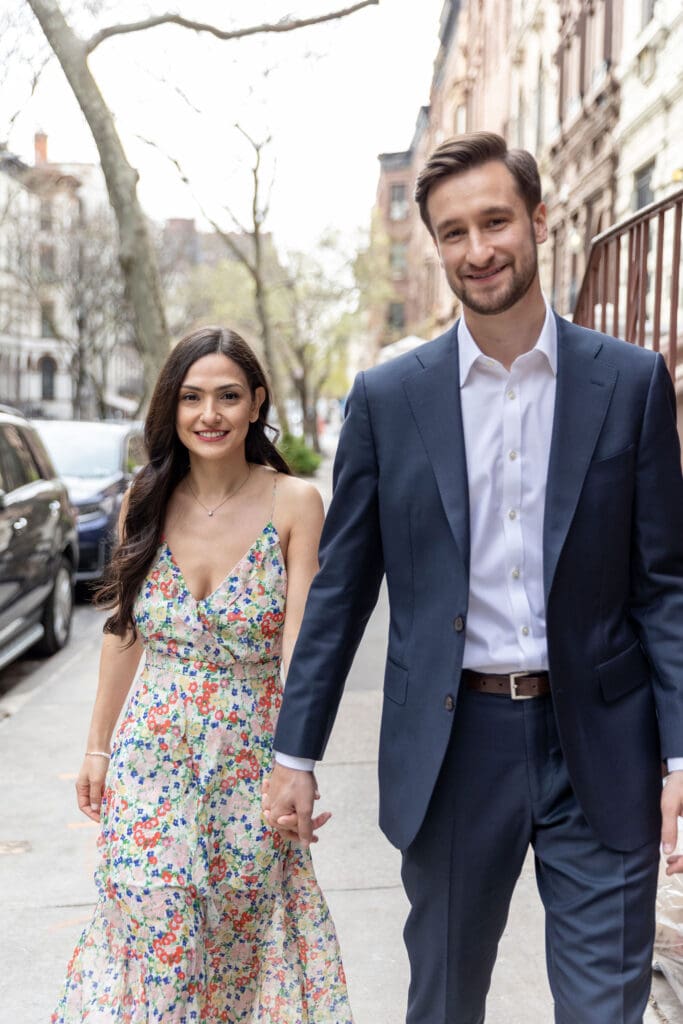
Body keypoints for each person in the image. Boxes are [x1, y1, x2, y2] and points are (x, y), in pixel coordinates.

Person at [265, 132, 683, 1023]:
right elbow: (340, 592)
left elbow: (662, 587)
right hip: (452, 746)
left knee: (604, 1011)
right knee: (445, 1001)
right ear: (435, 245)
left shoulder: (630, 382)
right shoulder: (388, 399)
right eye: (453, 232)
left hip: (603, 741)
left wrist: (681, 750)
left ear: (539, 221)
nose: (477, 249)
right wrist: (294, 754)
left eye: (495, 221)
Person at [52, 326, 353, 1024]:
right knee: (155, 943)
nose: (208, 414)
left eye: (227, 396)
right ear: (171, 406)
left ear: (256, 403)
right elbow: (124, 630)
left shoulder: (295, 503)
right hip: (150, 762)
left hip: (249, 764)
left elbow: (301, 650)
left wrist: (298, 765)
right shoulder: (145, 498)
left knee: (236, 957)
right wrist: (96, 747)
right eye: (191, 397)